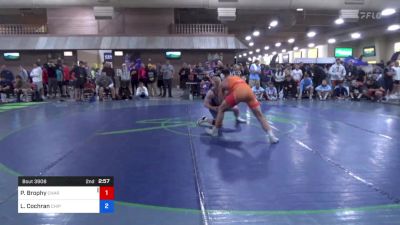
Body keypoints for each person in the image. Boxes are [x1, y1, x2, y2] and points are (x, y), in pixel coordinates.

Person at [205, 70, 279, 144]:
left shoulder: (223, 83)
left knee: (221, 109)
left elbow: (221, 100)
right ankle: (271, 136)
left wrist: (223, 104)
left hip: (239, 92)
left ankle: (214, 131)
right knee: (260, 116)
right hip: (249, 91)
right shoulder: (236, 77)